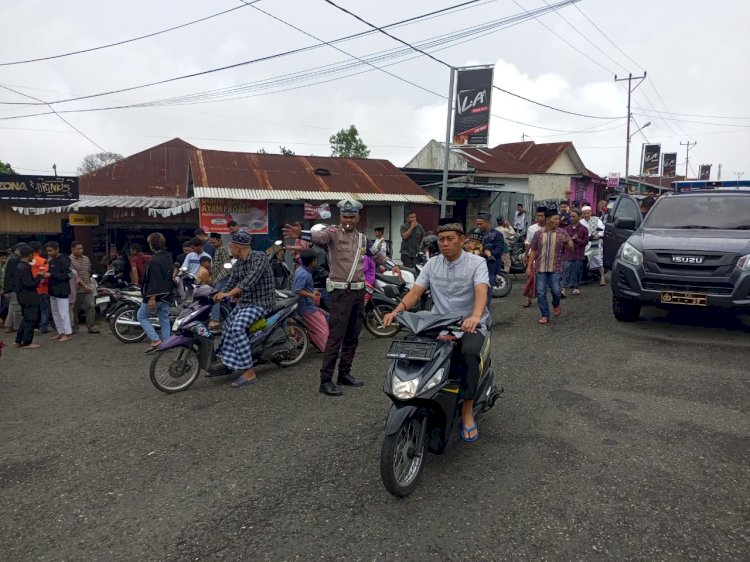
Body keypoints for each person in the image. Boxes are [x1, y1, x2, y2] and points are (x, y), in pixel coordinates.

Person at [382, 222, 490, 442]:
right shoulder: (432, 264)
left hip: (469, 324)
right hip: (437, 323)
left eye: (450, 239)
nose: (445, 243)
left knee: (469, 354)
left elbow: (481, 292)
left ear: (462, 240)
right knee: (412, 351)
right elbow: (415, 293)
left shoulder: (477, 263)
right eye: (441, 239)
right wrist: (396, 311)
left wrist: (475, 316)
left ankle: (467, 411)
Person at [282, 198, 401, 396]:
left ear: (358, 217)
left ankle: (344, 373)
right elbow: (318, 237)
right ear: (340, 217)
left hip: (358, 291)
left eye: (351, 216)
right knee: (335, 336)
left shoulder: (363, 239)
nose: (348, 220)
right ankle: (326, 379)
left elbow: (376, 255)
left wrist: (392, 265)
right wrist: (300, 234)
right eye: (345, 216)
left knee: (353, 335)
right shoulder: (333, 234)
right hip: (339, 292)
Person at [213, 230, 276, 389]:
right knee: (226, 326)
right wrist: (217, 293)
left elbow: (249, 281)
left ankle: (249, 371)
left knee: (237, 327)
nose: (230, 249)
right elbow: (231, 282)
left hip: (260, 303)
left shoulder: (259, 257)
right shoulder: (238, 263)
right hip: (245, 302)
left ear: (238, 246)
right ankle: (229, 361)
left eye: (231, 246)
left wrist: (229, 293)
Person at [527, 213, 573, 325]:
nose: (558, 220)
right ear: (548, 220)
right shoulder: (538, 234)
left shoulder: (562, 232)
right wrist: (529, 266)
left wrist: (566, 242)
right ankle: (545, 315)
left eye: (558, 218)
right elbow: (533, 250)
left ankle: (556, 304)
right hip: (540, 268)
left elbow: (571, 247)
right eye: (555, 218)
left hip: (556, 267)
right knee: (541, 292)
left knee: (556, 291)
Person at [139, 233, 175, 354]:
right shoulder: (167, 257)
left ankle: (155, 340)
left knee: (141, 316)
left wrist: (152, 298)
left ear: (152, 244)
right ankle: (167, 343)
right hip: (167, 294)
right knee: (164, 318)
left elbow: (155, 280)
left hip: (156, 296)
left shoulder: (155, 260)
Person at [292, 250, 329, 352]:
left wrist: (312, 292)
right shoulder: (304, 274)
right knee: (322, 327)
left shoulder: (300, 270)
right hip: (306, 307)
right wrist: (311, 295)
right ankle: (329, 350)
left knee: (319, 324)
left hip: (306, 305)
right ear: (313, 261)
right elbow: (297, 290)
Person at [44, 241, 73, 342]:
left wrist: (51, 275)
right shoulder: (52, 261)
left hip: (62, 289)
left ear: (57, 249)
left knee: (63, 312)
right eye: (47, 251)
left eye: (51, 251)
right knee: (55, 312)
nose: (49, 253)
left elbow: (67, 275)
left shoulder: (64, 260)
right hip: (52, 289)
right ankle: (60, 332)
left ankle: (67, 333)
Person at [15, 245, 42, 349]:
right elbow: (30, 284)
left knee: (26, 317)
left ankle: (18, 339)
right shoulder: (25, 267)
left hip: (21, 295)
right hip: (29, 295)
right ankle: (27, 341)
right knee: (31, 318)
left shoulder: (19, 265)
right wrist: (39, 276)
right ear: (30, 255)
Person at [69, 241, 100, 334]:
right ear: (72, 249)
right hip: (75, 289)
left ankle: (91, 326)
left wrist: (89, 285)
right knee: (75, 310)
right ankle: (75, 328)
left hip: (87, 287)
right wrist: (84, 286)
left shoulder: (86, 259)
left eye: (81, 248)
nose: (81, 250)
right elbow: (74, 276)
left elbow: (88, 271)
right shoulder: (69, 260)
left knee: (90, 307)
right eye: (78, 249)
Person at [522, 207, 547, 308]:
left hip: (545, 256)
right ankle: (528, 299)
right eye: (538, 216)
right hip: (533, 255)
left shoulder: (549, 228)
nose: (539, 218)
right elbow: (528, 242)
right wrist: (525, 254)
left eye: (542, 216)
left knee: (543, 278)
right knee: (531, 276)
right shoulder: (532, 228)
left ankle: (541, 298)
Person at [476, 212, 504, 301]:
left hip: (490, 267)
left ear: (488, 223)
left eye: (481, 224)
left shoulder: (497, 234)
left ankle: (485, 313)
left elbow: (499, 250)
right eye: (477, 224)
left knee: (486, 293)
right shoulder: (476, 234)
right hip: (476, 268)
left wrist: (485, 254)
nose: (478, 226)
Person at [561, 209, 589, 297]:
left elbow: (585, 242)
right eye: (571, 216)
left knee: (577, 271)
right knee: (565, 271)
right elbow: (562, 241)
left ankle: (576, 287)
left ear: (579, 217)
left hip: (578, 254)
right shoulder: (566, 229)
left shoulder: (584, 229)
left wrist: (577, 240)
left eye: (574, 216)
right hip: (567, 254)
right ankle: (563, 290)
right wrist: (569, 240)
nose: (572, 218)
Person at [208, 233, 232, 329]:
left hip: (223, 278)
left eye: (213, 242)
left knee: (216, 297)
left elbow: (227, 267)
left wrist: (217, 279)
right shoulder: (217, 250)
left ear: (218, 240)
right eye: (211, 243)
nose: (212, 244)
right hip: (218, 278)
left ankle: (215, 320)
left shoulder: (223, 250)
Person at [581, 206, 606, 286]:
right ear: (582, 214)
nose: (586, 215)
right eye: (584, 213)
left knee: (598, 259)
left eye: (588, 213)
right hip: (584, 244)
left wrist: (598, 235)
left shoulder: (596, 220)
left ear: (590, 213)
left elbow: (602, 229)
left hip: (594, 243)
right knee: (584, 260)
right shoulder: (581, 222)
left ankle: (602, 278)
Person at [29, 241, 50, 334]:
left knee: (32, 309)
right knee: (44, 309)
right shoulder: (43, 261)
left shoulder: (26, 261)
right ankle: (44, 327)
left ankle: (33, 327)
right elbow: (45, 275)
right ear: (39, 250)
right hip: (41, 288)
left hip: (29, 288)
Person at [3, 245, 23, 333]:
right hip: (14, 287)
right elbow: (15, 276)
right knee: (17, 307)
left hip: (9, 287)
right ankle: (18, 326)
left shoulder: (11, 258)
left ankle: (9, 326)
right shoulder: (15, 260)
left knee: (12, 307)